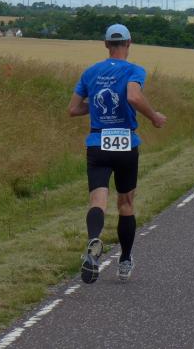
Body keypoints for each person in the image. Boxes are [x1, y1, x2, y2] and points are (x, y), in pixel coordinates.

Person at [67, 23, 167, 284]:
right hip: (125, 142)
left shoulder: (90, 72)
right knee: (126, 204)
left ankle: (94, 241)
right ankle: (124, 261)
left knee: (97, 201)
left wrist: (96, 104)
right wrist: (154, 116)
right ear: (129, 43)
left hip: (97, 142)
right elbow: (133, 96)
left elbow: (73, 109)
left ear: (106, 44)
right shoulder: (134, 70)